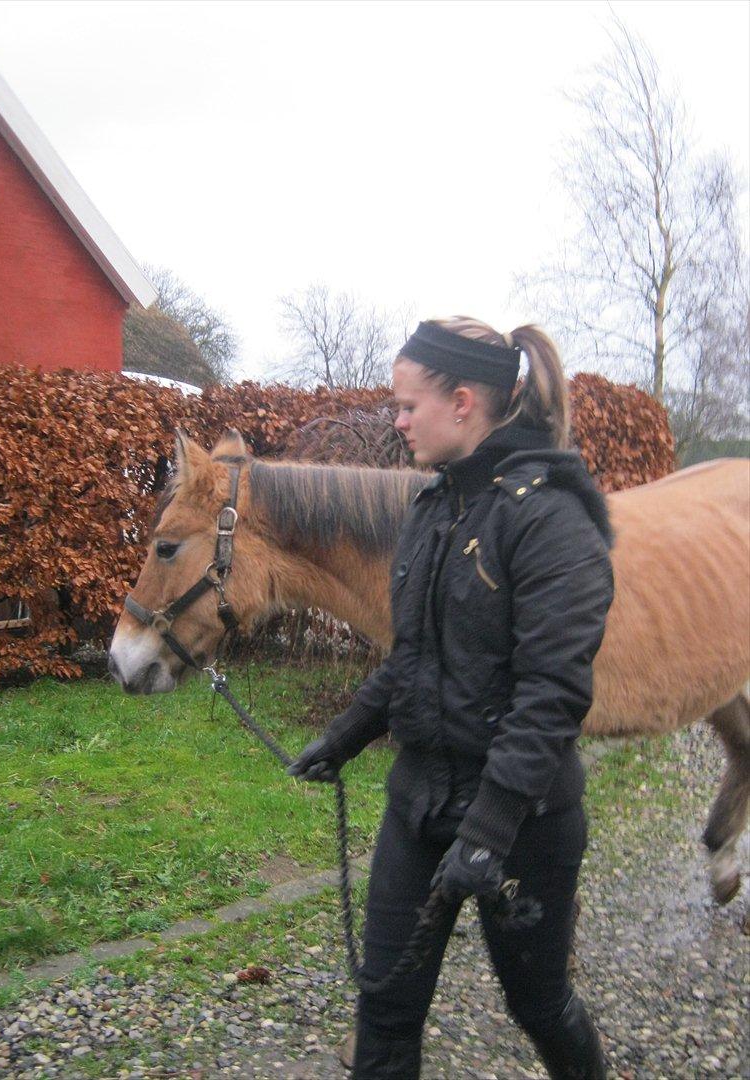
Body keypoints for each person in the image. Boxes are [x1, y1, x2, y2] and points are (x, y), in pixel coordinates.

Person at [288, 317, 614, 1079]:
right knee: (385, 1010)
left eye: (408, 406)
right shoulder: (435, 506)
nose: (398, 423)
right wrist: (345, 734)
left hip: (524, 823)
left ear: (462, 402)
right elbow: (413, 655)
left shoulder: (552, 519)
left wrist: (489, 830)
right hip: (419, 804)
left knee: (539, 1005)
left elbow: (552, 696)